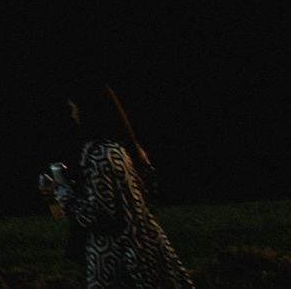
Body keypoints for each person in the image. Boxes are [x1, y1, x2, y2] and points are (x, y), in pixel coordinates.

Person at [44, 84, 194, 289]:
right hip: (148, 250)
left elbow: (100, 215)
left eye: (73, 108)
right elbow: (145, 196)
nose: (72, 115)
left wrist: (63, 193)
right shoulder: (130, 149)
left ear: (88, 111)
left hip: (116, 261)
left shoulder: (100, 155)